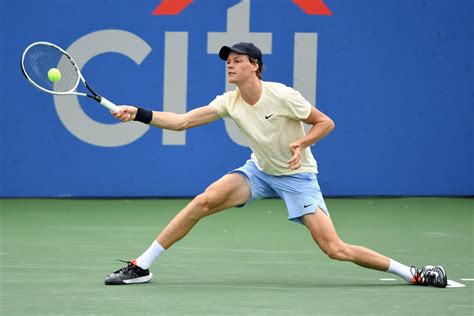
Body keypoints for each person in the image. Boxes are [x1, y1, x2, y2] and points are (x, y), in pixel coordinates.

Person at [105, 42, 447, 288]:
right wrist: (138, 113)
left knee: (334, 249)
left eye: (238, 60)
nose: (230, 65)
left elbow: (326, 122)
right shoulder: (229, 101)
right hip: (260, 171)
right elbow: (181, 121)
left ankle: (413, 273)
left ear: (255, 65)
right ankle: (142, 266)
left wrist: (302, 142)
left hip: (298, 177)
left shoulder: (283, 95)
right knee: (203, 201)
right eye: (228, 61)